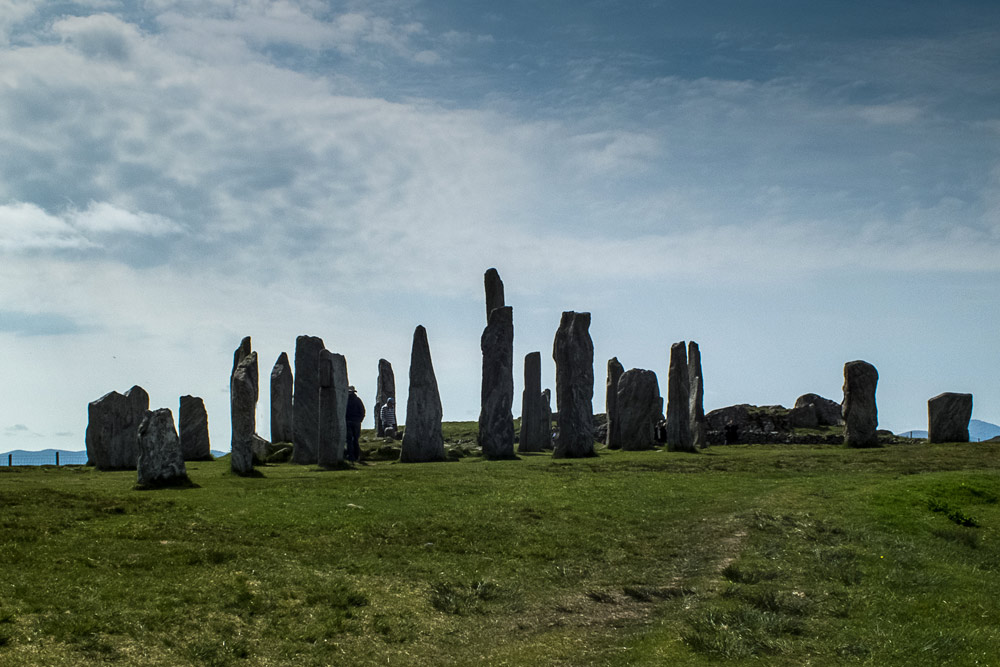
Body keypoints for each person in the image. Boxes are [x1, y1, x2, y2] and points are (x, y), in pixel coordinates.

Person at [345, 386, 365, 463]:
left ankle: (351, 456)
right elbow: (362, 411)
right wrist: (360, 420)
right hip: (356, 422)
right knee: (355, 439)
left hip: (348, 421)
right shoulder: (358, 400)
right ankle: (356, 456)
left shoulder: (345, 400)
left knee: (349, 440)